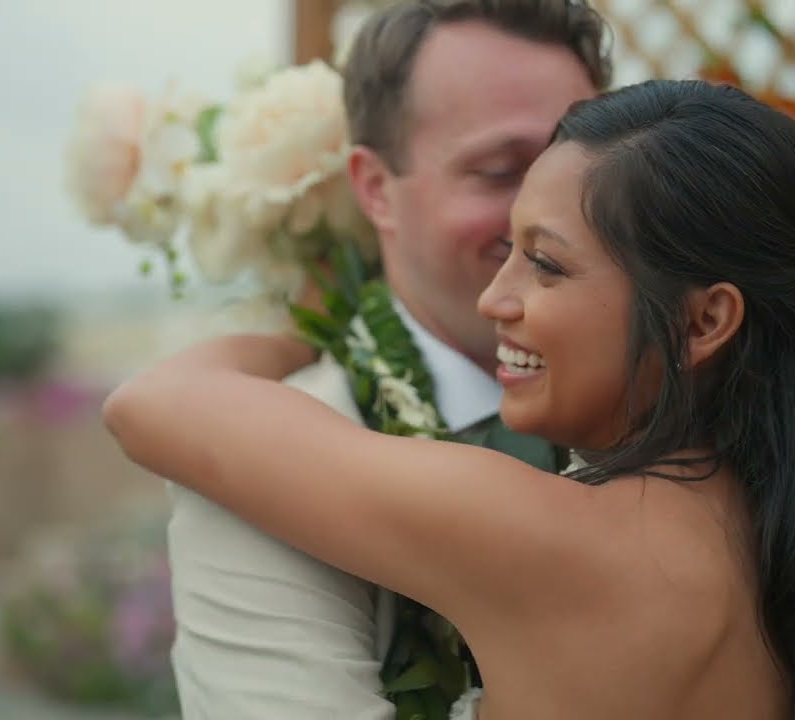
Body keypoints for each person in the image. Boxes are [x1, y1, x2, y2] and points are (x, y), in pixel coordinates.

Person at [106, 79, 795, 719]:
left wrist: (306, 329)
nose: (498, 297)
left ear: (705, 322)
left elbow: (155, 402)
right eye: (505, 250)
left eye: (545, 263)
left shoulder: (544, 538)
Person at [157, 1, 610, 717]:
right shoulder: (256, 466)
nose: (554, 216)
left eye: (586, 172)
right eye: (500, 171)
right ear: (374, 190)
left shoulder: (692, 404)